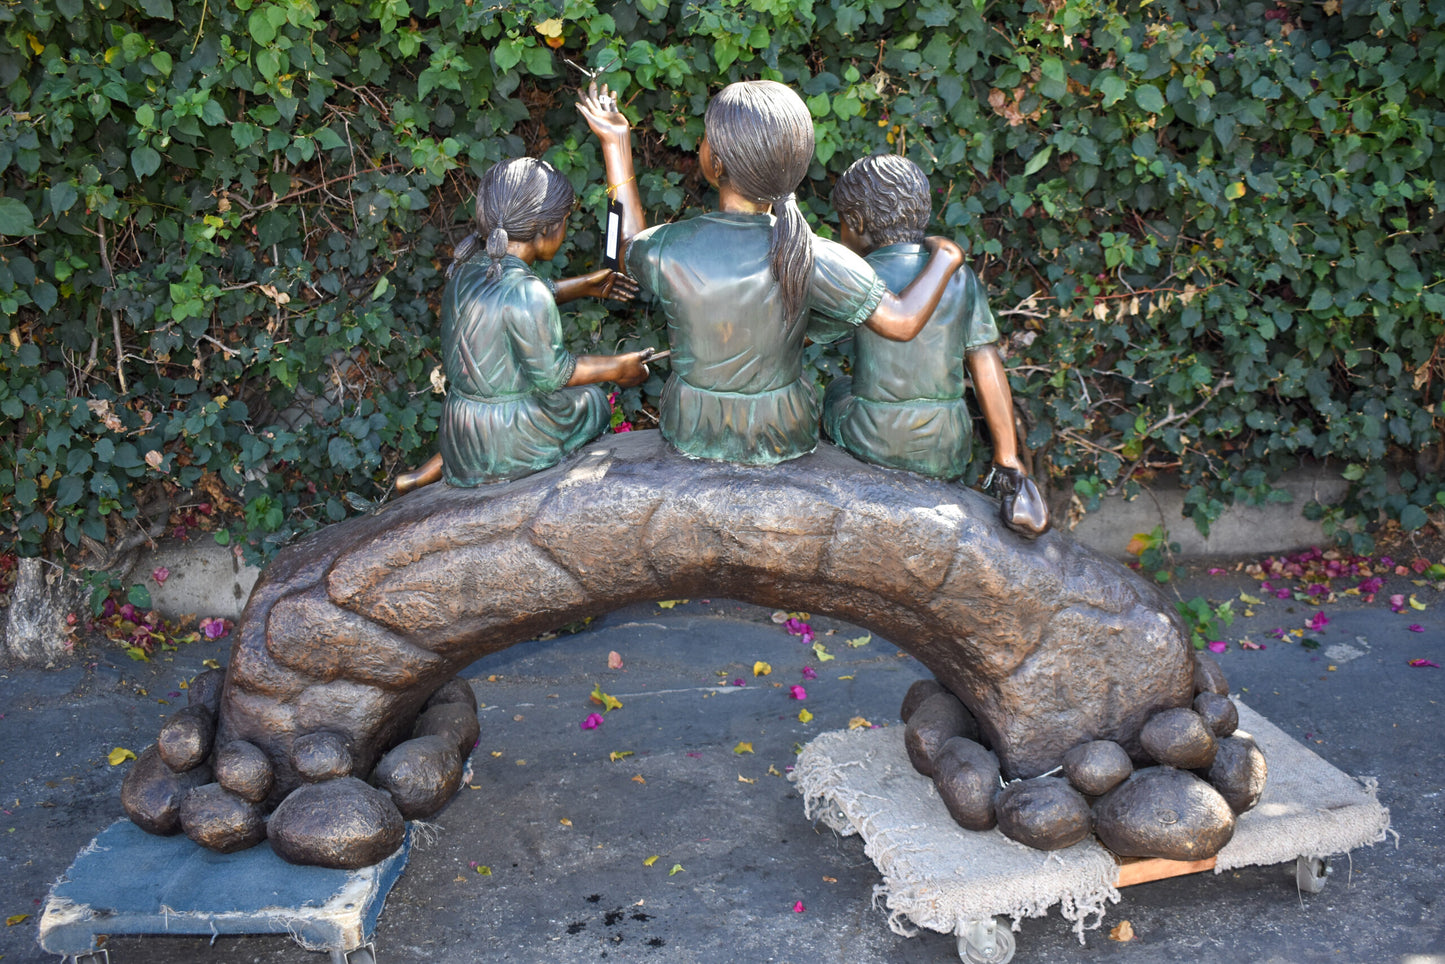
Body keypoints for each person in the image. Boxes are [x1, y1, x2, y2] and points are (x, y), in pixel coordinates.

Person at [576, 80, 964, 466]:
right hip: (783, 431)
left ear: (716, 163)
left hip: (694, 426)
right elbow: (901, 322)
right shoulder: (812, 252)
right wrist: (946, 257)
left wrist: (616, 146)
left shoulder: (671, 246)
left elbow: (621, 250)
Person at [395, 157, 651, 492]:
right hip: (513, 434)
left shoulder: (467, 269)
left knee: (486, 393)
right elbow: (553, 376)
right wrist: (618, 367)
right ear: (546, 228)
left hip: (461, 428)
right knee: (591, 402)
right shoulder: (527, 291)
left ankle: (427, 471)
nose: (565, 229)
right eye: (565, 222)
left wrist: (583, 284)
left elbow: (509, 303)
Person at [824, 153, 1048, 534]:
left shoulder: (860, 275)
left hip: (874, 435)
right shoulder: (960, 278)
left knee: (835, 391)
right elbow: (985, 363)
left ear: (857, 222)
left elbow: (813, 332)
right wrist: (1007, 455)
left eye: (842, 222)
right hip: (947, 441)